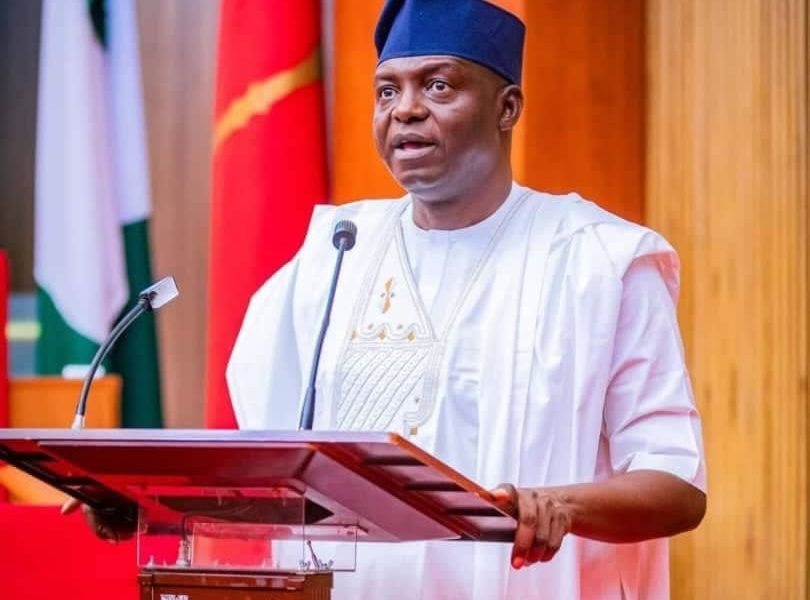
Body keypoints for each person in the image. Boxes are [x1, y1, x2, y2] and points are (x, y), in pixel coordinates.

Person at [78, 1, 706, 598]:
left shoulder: (600, 262)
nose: (405, 110)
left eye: (438, 86)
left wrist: (561, 505)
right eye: (387, 91)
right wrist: (149, 501)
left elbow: (677, 485)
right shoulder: (333, 256)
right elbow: (275, 475)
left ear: (506, 107)